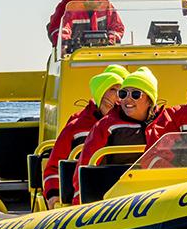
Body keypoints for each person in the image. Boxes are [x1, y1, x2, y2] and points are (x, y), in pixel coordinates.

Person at [72, 67, 166, 202]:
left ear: (150, 99)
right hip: (114, 198)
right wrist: (79, 204)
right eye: (123, 94)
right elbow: (85, 165)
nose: (127, 99)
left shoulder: (166, 121)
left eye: (135, 94)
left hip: (157, 195)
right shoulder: (105, 126)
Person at [42, 65, 129, 207]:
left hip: (126, 197)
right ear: (100, 90)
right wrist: (54, 194)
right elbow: (54, 166)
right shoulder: (76, 126)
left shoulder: (135, 125)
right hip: (86, 202)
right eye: (113, 89)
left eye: (122, 91)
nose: (117, 97)